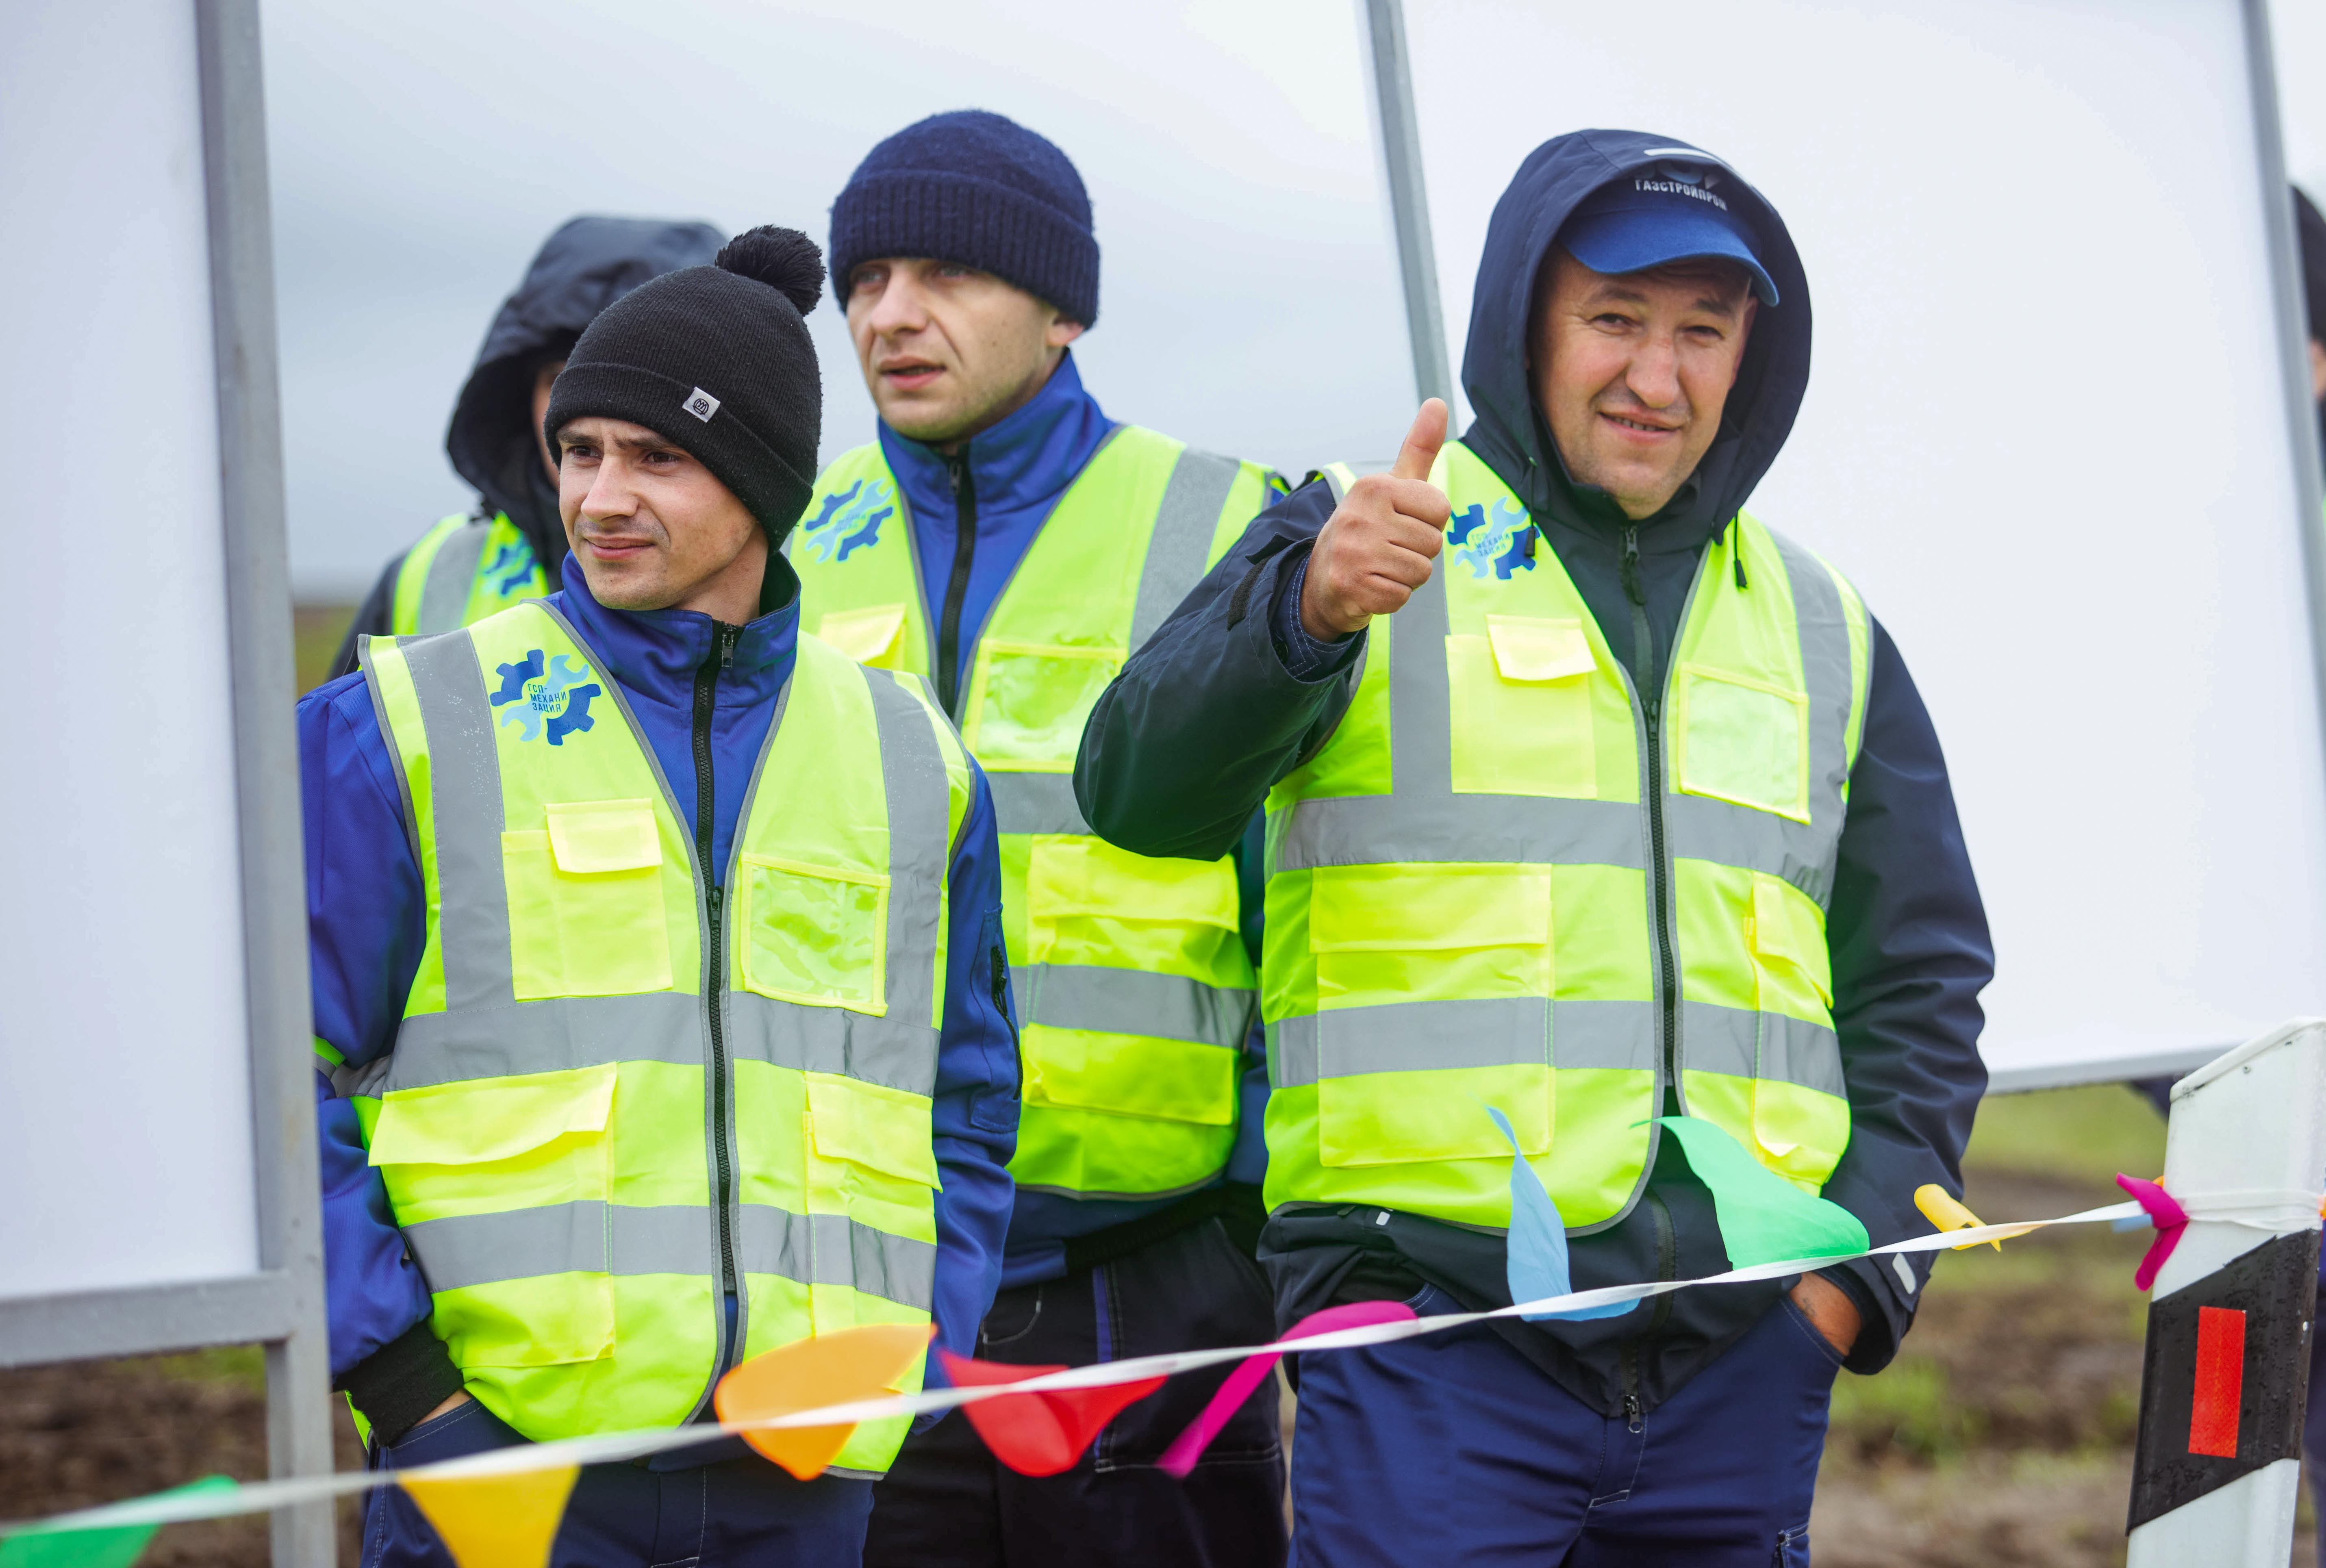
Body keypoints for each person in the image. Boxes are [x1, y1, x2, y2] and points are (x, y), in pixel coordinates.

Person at [1076, 128, 1993, 1563]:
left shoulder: (1823, 623)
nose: (1658, 376)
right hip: (1433, 1347)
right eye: (1613, 320)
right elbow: (1137, 794)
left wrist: (1849, 1275)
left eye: (1703, 331)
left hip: (1744, 1359)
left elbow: (1923, 980)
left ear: (1751, 353)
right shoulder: (1362, 537)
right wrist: (1299, 615)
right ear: (1523, 322)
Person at [300, 226, 1021, 1566]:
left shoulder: (910, 755)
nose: (600, 497)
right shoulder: (399, 722)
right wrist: (413, 1397)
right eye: (581, 451)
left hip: (803, 1468)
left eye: (657, 457)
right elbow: (280, 1083)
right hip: (501, 1467)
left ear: (761, 481)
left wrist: (921, 1339)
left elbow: (967, 1092)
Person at [794, 111, 1289, 1568]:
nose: (892, 313)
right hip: (860, 1288)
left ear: (1064, 305)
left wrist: (1247, 1238)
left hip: (1159, 1283)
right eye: (866, 277)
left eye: (947, 272)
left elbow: (1309, 890)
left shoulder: (1228, 527)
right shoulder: (776, 555)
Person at [326, 215, 724, 678]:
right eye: (563, 381)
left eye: (640, 386)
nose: (595, 416)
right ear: (521, 397)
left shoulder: (801, 564)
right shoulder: (432, 577)